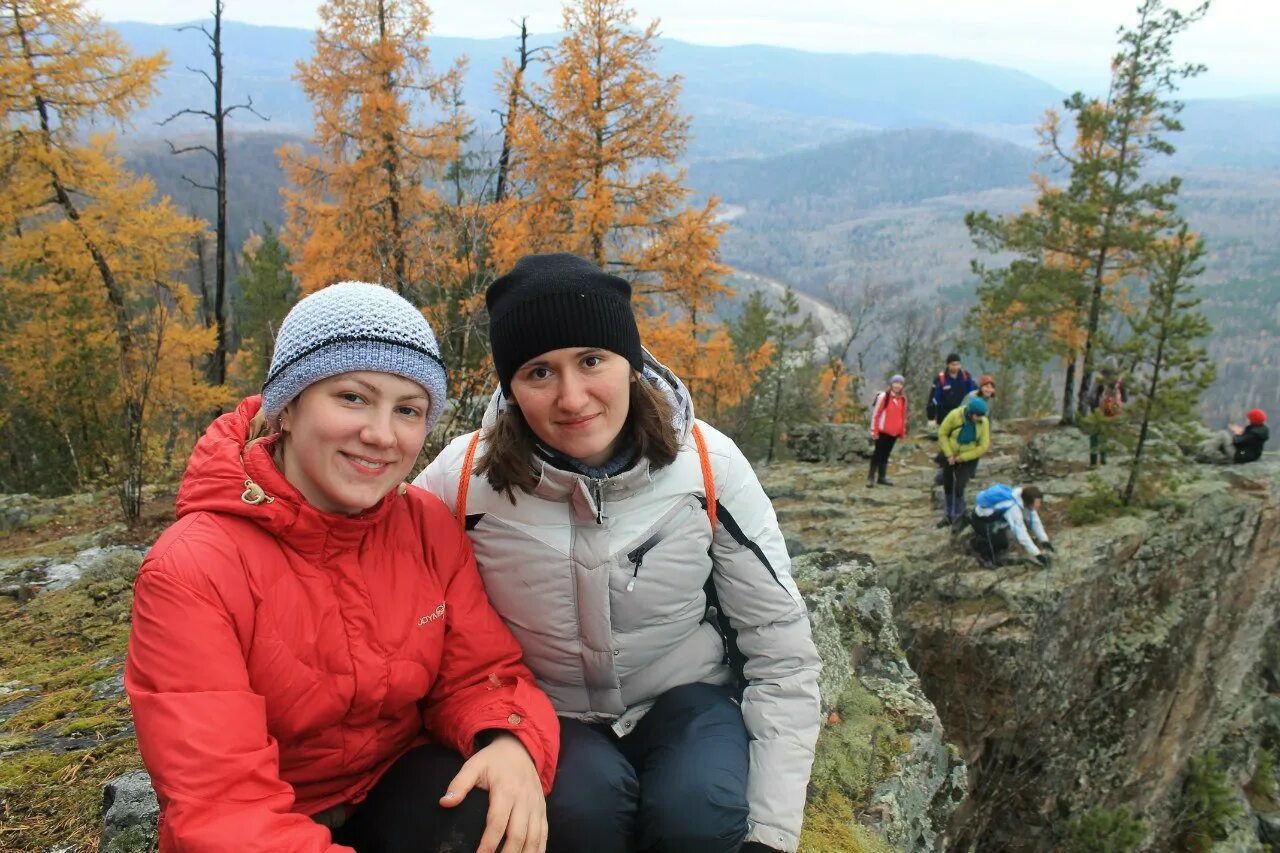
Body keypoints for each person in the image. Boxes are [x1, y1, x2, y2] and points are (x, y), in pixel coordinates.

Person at [125, 282, 560, 853]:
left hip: (389, 785)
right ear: (291, 402)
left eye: (408, 410)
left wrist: (506, 739)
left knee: (516, 813)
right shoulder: (194, 570)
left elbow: (479, 672)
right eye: (353, 397)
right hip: (266, 823)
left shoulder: (424, 525)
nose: (381, 435)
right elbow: (223, 812)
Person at [417, 253, 822, 853]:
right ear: (511, 388)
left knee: (700, 821)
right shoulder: (463, 482)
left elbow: (780, 650)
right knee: (580, 818)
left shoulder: (706, 466)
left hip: (687, 699)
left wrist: (768, 834)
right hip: (548, 709)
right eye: (538, 372)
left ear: (630, 363)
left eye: (591, 361)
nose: (572, 397)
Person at [965, 484, 1054, 568]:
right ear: (1029, 502)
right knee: (1001, 542)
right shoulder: (1012, 508)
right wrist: (1038, 555)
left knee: (1005, 537)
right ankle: (981, 551)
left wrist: (1044, 540)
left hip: (996, 521)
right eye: (1037, 503)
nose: (1039, 505)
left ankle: (988, 542)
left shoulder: (1023, 500)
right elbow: (1021, 534)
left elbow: (1034, 521)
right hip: (981, 521)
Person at [937, 397, 990, 527]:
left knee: (959, 486)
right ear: (970, 412)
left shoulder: (983, 423)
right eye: (977, 415)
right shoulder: (955, 415)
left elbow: (983, 446)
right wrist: (949, 454)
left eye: (982, 416)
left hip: (968, 458)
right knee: (948, 484)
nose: (979, 418)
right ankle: (948, 515)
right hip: (950, 454)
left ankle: (958, 517)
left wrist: (963, 457)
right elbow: (942, 433)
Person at [867, 374, 908, 487]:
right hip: (882, 431)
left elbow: (902, 416)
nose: (897, 386)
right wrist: (874, 430)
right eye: (896, 383)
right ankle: (870, 477)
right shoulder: (884, 397)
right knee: (877, 454)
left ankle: (882, 477)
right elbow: (876, 414)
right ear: (891, 384)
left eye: (900, 383)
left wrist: (902, 431)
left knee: (886, 455)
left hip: (894, 432)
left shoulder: (903, 399)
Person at [1086, 361, 1127, 466]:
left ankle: (1094, 461)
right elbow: (1125, 398)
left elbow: (1091, 395)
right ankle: (1104, 459)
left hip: (1099, 409)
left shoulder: (1099, 378)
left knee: (1095, 434)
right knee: (1105, 433)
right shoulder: (1120, 379)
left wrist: (1093, 407)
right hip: (1112, 410)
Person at [1198, 408, 1270, 464]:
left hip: (1239, 455)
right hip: (1246, 454)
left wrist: (1237, 433)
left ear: (1252, 420)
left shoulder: (1253, 434)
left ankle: (1207, 454)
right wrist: (1243, 432)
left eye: (1248, 418)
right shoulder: (1260, 430)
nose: (1246, 419)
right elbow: (1247, 442)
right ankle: (1207, 452)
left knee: (1222, 434)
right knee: (1217, 440)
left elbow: (1237, 442)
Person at [926, 352, 977, 427]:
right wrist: (931, 417)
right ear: (948, 365)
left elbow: (974, 393)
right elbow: (933, 400)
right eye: (953, 364)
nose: (955, 367)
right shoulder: (940, 379)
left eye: (957, 364)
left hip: (963, 415)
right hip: (944, 417)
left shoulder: (965, 377)